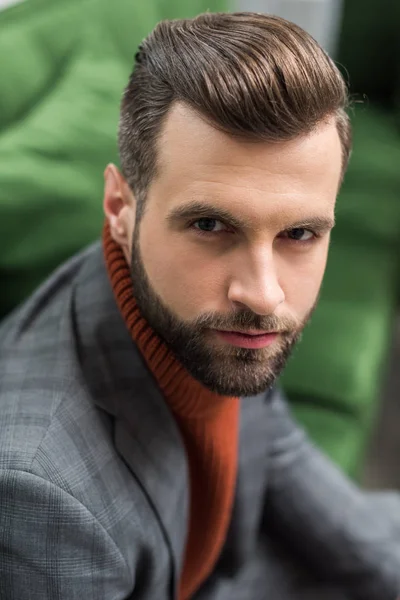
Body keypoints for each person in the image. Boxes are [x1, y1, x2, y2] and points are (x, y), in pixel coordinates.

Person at [0, 11, 399, 600]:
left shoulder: (217, 323)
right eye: (210, 224)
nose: (263, 294)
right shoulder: (42, 502)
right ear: (120, 207)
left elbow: (281, 452)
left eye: (300, 234)